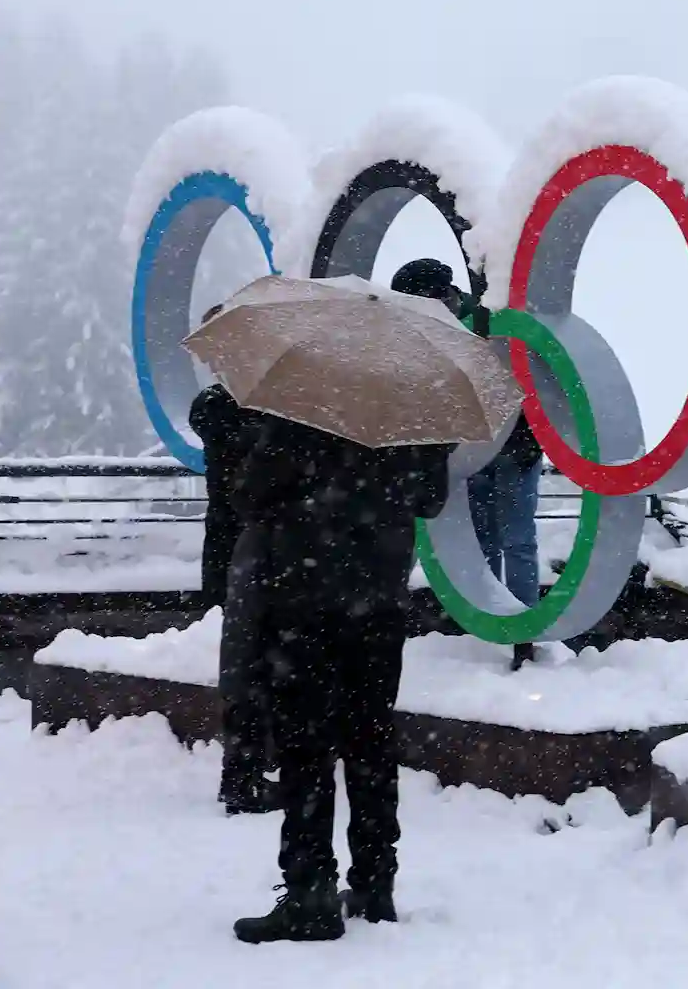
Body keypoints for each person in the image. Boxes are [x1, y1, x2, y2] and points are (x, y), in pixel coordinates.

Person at [230, 414, 450, 943]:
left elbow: (249, 495)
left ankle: (310, 895)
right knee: (371, 742)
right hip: (379, 604)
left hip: (305, 603)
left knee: (305, 750)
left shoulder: (303, 408)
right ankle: (374, 884)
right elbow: (430, 499)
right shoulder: (415, 414)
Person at [390, 259, 543, 669]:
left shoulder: (492, 321)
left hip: (512, 448)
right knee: (484, 540)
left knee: (515, 539)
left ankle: (522, 629)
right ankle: (487, 622)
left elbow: (526, 381)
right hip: (469, 451)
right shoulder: (436, 329)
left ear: (439, 296)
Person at [190, 306, 275, 815]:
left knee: (251, 666)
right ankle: (244, 775)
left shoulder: (226, 407)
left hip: (248, 553)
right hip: (245, 554)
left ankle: (249, 769)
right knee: (249, 668)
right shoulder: (224, 408)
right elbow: (248, 483)